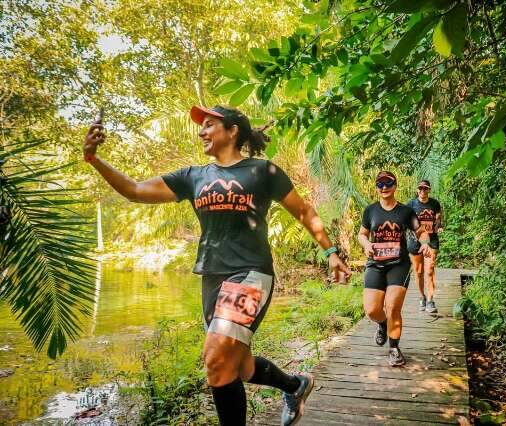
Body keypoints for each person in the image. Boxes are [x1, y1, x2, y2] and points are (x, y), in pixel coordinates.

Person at [83, 105, 351, 426]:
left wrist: (331, 252)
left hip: (251, 272)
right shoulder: (193, 176)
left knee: (215, 359)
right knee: (237, 366)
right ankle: (295, 386)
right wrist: (94, 159)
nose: (202, 132)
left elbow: (304, 211)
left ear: (232, 130)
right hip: (211, 276)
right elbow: (135, 191)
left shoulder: (263, 172)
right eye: (202, 127)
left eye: (209, 125)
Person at [357, 171, 429, 366]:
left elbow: (421, 232)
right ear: (376, 188)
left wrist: (425, 243)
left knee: (392, 307)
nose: (384, 187)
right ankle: (382, 324)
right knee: (372, 310)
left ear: (395, 186)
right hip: (375, 264)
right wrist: (366, 244)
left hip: (399, 264)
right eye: (380, 184)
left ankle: (394, 348)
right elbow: (362, 234)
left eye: (388, 183)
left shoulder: (406, 212)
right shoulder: (370, 211)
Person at [406, 179, 443, 314]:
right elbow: (406, 221)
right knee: (419, 271)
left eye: (425, 188)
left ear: (429, 190)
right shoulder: (411, 204)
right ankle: (422, 296)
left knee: (430, 269)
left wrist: (438, 226)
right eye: (420, 188)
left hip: (432, 240)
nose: (422, 191)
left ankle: (430, 299)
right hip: (414, 241)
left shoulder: (434, 204)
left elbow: (438, 219)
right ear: (417, 190)